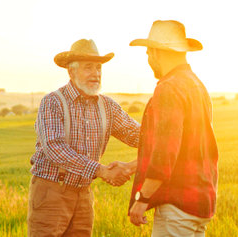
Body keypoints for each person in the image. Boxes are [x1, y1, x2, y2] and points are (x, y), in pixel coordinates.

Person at [27, 39, 140, 237]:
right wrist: (102, 171)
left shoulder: (108, 106)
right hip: (51, 192)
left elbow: (137, 136)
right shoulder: (53, 102)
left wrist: (167, 131)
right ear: (71, 72)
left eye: (98, 68)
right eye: (89, 68)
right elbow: (55, 148)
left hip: (84, 194)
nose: (96, 74)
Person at [125, 20, 219, 236]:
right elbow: (185, 148)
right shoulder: (197, 85)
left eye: (148, 52)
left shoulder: (168, 88)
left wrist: (142, 198)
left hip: (177, 207)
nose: (148, 59)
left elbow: (166, 152)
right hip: (200, 204)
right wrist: (132, 166)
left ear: (157, 53)